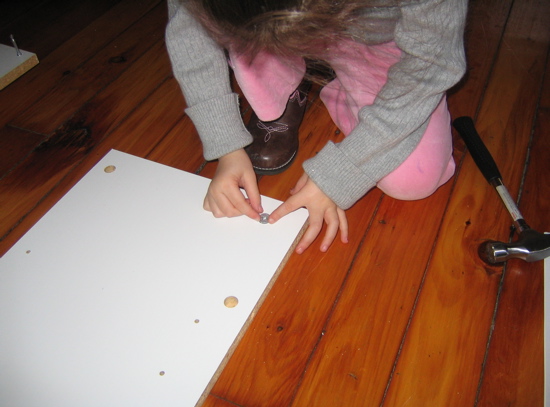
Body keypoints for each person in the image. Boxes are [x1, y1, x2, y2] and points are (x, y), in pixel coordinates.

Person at [165, 0, 467, 254]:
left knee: (413, 180)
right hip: (261, 25)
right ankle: (285, 89)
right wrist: (227, 145)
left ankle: (340, 89)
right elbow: (189, 28)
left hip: (373, 35)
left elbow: (430, 63)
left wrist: (346, 169)